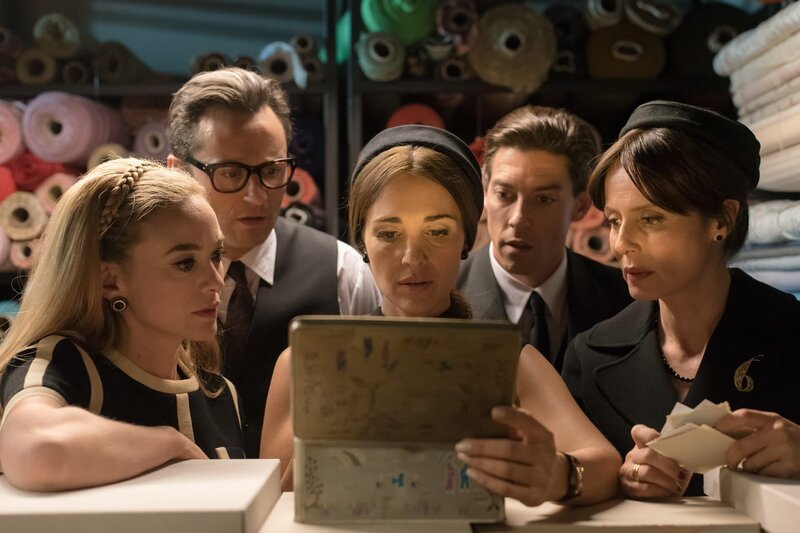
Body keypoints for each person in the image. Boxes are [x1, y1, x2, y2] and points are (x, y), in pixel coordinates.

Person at [261, 125, 621, 505]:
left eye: (437, 232)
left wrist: (558, 474)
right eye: (388, 234)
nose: (412, 258)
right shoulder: (305, 365)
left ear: (466, 238)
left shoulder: (507, 361)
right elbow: (271, 500)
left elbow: (604, 465)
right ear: (361, 240)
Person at [562, 100, 800, 499]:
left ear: (721, 221)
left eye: (651, 219)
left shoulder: (791, 334)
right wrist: (616, 481)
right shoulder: (589, 356)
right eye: (615, 221)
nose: (621, 244)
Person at [166, 67, 380, 457]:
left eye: (271, 170)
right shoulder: (144, 279)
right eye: (231, 172)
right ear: (177, 172)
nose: (256, 195)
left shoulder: (342, 271)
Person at [0, 158, 242, 491]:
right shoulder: (60, 363)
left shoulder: (221, 394)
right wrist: (171, 444)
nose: (216, 281)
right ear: (110, 280)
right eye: (185, 263)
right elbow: (37, 450)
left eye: (216, 255)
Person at [458, 105, 631, 372]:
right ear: (485, 191)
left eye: (543, 199)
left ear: (581, 207)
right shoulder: (441, 296)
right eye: (504, 194)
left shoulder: (626, 302)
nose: (518, 218)